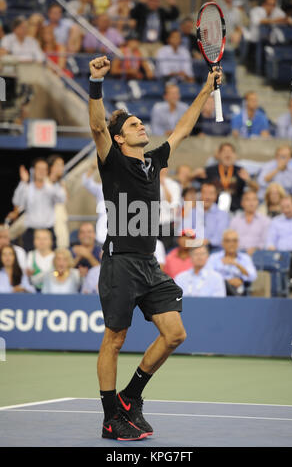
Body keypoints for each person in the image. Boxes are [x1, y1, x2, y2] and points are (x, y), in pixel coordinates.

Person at [88, 55, 221, 440]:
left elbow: (182, 127)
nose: (140, 124)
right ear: (119, 138)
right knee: (115, 338)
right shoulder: (110, 160)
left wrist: (204, 90)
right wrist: (96, 82)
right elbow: (97, 124)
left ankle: (131, 396)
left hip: (149, 263)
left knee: (175, 333)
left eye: (140, 121)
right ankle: (111, 415)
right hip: (120, 262)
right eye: (132, 124)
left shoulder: (154, 159)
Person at [11, 158, 66, 252]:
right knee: (29, 261)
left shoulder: (51, 187)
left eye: (44, 169)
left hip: (48, 231)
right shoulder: (27, 188)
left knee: (51, 261)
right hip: (31, 232)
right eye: (39, 169)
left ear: (47, 171)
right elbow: (17, 202)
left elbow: (62, 199)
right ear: (33, 171)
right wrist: (23, 182)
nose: (41, 172)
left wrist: (53, 182)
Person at [194, 142, 259, 212]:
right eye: (224, 151)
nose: (228, 154)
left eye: (230, 152)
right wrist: (193, 174)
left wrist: (248, 180)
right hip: (213, 210)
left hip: (236, 210)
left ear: (235, 155)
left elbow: (256, 189)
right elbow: (187, 182)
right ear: (218, 155)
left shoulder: (240, 170)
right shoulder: (210, 170)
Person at [207, 229, 257, 296]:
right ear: (222, 243)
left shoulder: (245, 258)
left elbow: (252, 276)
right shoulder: (214, 258)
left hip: (239, 291)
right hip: (218, 291)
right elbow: (208, 276)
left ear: (238, 243)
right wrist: (227, 282)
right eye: (228, 241)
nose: (232, 244)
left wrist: (236, 265)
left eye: (234, 241)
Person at [265, 194, 292, 279]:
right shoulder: (276, 221)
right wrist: (272, 249)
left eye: (288, 207)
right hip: (280, 254)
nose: (286, 210)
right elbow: (270, 241)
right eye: (283, 208)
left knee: (289, 258)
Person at [230, 190, 271, 255]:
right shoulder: (235, 220)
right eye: (248, 200)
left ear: (258, 202)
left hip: (258, 254)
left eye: (254, 200)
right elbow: (230, 239)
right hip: (237, 253)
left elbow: (265, 241)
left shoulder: (265, 221)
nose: (251, 203)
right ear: (242, 203)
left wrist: (256, 249)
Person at [47, 155, 69, 248]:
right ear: (51, 167)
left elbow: (66, 200)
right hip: (49, 225)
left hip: (61, 224)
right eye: (59, 165)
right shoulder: (44, 183)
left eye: (62, 165)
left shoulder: (61, 184)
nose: (62, 168)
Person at [200, 183, 230, 251]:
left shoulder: (223, 215)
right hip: (191, 248)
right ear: (200, 195)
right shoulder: (191, 212)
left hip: (213, 249)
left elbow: (219, 237)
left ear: (216, 196)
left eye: (211, 193)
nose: (207, 197)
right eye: (204, 193)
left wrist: (204, 242)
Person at [159, 167, 182, 251]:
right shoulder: (148, 182)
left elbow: (173, 204)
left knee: (165, 249)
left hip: (166, 222)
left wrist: (163, 184)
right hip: (150, 223)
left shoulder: (173, 185)